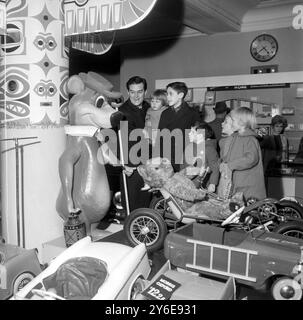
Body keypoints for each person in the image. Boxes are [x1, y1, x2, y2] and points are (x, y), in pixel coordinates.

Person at [118, 76, 152, 212]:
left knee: (148, 201)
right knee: (133, 204)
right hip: (131, 165)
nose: (136, 96)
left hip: (149, 163)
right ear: (128, 92)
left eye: (140, 91)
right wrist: (122, 162)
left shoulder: (150, 108)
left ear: (145, 91)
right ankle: (132, 231)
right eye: (132, 92)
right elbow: (117, 140)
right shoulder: (122, 112)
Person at [219, 107, 266, 202]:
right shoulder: (235, 138)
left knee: (248, 211)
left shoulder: (250, 139)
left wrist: (231, 165)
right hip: (237, 184)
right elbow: (229, 156)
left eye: (233, 120)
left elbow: (251, 158)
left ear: (241, 123)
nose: (231, 123)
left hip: (248, 186)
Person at [158, 82, 200, 172]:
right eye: (167, 94)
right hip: (167, 159)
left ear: (180, 95)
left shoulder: (192, 114)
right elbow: (160, 137)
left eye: (171, 94)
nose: (167, 97)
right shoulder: (165, 113)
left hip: (185, 159)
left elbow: (198, 139)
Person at [181, 122, 220, 193]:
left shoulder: (209, 149)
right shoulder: (190, 147)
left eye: (192, 132)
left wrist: (213, 183)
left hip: (200, 185)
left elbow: (215, 168)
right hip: (186, 181)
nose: (189, 134)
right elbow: (183, 163)